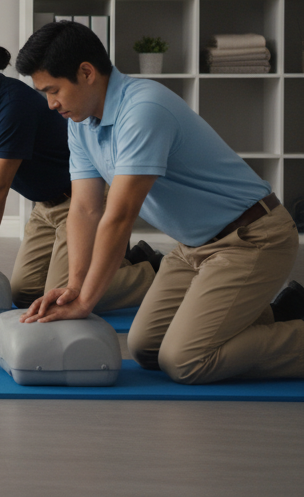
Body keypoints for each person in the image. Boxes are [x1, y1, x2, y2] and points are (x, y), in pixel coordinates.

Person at [16, 20, 303, 384]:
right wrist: (75, 285)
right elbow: (86, 208)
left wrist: (86, 301)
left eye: (52, 90)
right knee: (146, 349)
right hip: (193, 248)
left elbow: (119, 217)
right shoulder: (81, 123)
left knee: (185, 361)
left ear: (86, 72)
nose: (50, 103)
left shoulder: (143, 109)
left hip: (252, 239)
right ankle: (272, 313)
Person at [0, 29, 157, 310]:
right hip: (44, 208)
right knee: (23, 293)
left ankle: (154, 272)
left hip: (82, 202)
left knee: (63, 295)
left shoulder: (12, 103)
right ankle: (120, 260)